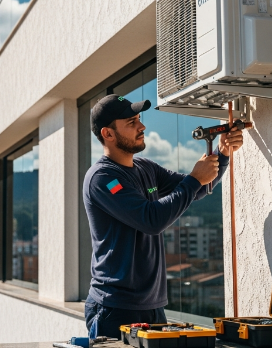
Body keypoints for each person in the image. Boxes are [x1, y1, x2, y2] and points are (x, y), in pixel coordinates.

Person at [83, 94, 244, 337]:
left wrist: (222, 153)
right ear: (108, 134)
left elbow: (197, 189)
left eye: (139, 119)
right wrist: (193, 179)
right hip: (115, 307)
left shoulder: (146, 168)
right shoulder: (103, 178)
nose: (142, 126)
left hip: (153, 306)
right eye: (131, 122)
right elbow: (151, 220)